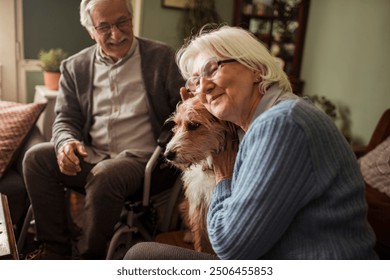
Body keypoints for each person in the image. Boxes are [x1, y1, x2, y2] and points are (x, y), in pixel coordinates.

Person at [124, 25, 378, 260]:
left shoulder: (282, 123)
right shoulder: (267, 120)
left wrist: (223, 176)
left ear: (256, 69)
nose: (203, 88)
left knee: (142, 257)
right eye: (195, 80)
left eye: (212, 69)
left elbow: (231, 247)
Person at [23, 0, 183, 260]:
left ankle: (88, 261)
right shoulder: (75, 67)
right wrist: (65, 143)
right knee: (36, 158)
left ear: (131, 19)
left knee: (106, 174)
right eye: (105, 27)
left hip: (145, 163)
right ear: (90, 31)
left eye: (122, 22)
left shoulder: (162, 57)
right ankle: (56, 251)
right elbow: (65, 119)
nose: (117, 34)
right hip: (93, 155)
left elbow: (182, 110)